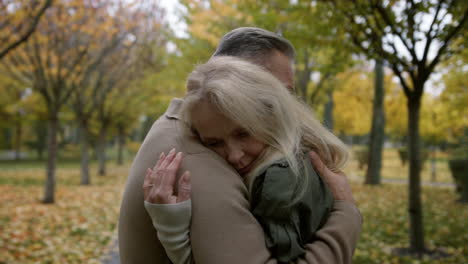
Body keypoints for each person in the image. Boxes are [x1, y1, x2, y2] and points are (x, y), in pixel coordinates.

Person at [118, 27, 362, 264]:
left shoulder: (178, 127)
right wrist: (346, 213)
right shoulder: (192, 153)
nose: (287, 104)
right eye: (278, 91)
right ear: (235, 80)